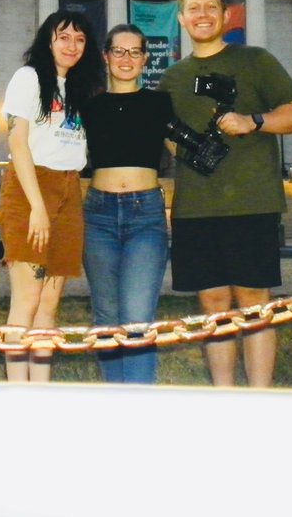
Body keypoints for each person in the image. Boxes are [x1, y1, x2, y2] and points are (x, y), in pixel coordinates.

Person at [159, 0, 292, 387]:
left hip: (252, 202)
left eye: (211, 6)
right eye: (194, 8)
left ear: (226, 15)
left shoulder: (255, 60)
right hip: (196, 206)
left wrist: (254, 121)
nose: (202, 14)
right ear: (181, 18)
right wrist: (186, 149)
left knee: (254, 302)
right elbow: (169, 136)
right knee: (212, 305)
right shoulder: (172, 78)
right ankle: (224, 395)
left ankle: (257, 397)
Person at [0, 9, 103, 382]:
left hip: (69, 189)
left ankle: (40, 394)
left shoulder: (78, 88)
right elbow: (17, 142)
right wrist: (38, 208)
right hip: (30, 190)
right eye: (64, 37)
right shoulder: (28, 78)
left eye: (80, 39)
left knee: (49, 304)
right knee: (26, 300)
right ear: (48, 40)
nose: (72, 45)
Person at [81, 24, 174, 384]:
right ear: (106, 56)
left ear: (145, 59)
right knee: (106, 315)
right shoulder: (90, 107)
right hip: (99, 216)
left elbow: (184, 149)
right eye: (119, 51)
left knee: (137, 316)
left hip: (145, 215)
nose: (126, 58)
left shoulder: (160, 102)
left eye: (134, 51)